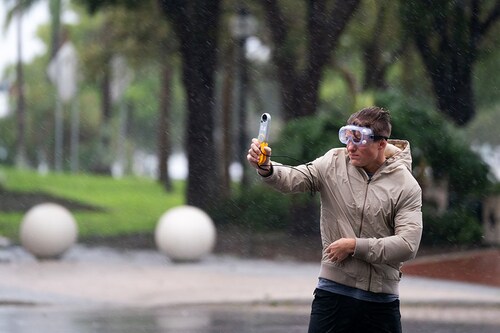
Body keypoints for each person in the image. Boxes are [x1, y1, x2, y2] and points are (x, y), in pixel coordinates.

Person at [247, 106, 423, 333]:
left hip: (381, 299)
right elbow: (294, 178)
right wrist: (267, 168)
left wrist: (354, 246)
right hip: (333, 292)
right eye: (347, 138)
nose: (350, 147)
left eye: (359, 141)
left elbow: (408, 245)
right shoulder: (333, 162)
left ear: (381, 143)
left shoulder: (406, 185)